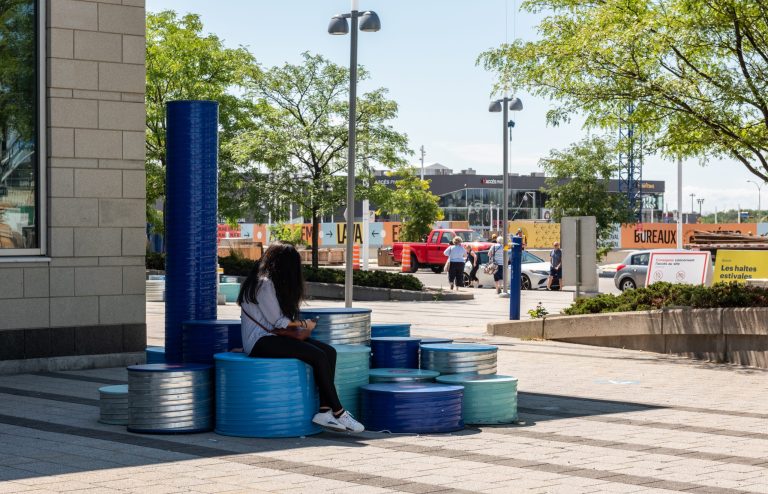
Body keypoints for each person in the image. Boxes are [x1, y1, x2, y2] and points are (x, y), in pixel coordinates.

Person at [237, 242, 364, 433]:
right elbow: (279, 321)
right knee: (318, 356)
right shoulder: (264, 284)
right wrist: (306, 325)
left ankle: (324, 411)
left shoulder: (266, 281)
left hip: (271, 338)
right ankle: (339, 412)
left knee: (329, 352)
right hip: (259, 342)